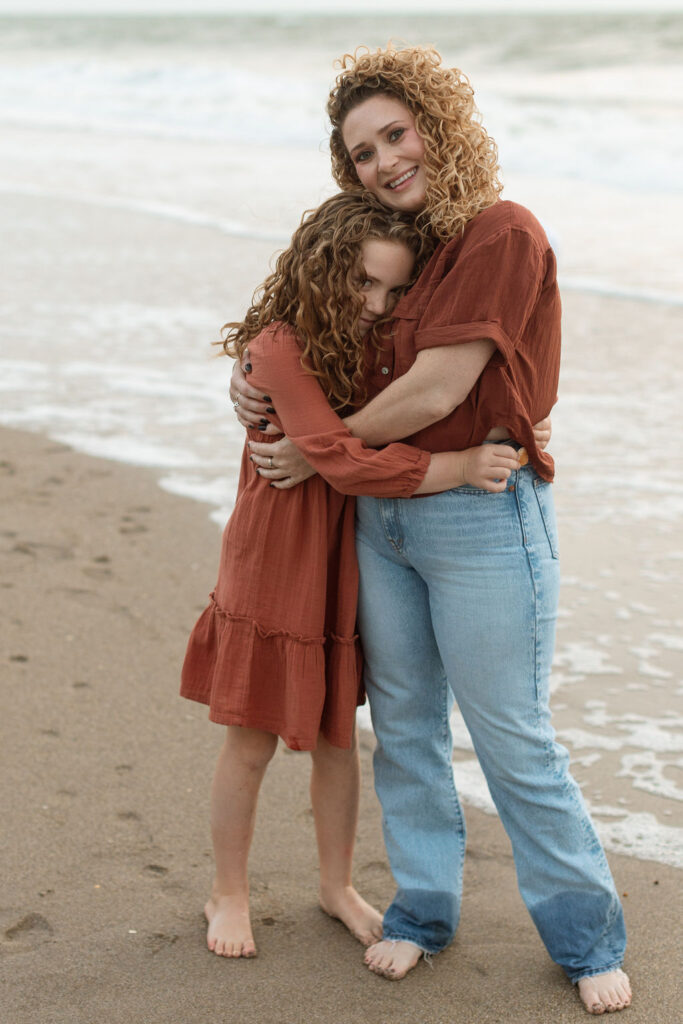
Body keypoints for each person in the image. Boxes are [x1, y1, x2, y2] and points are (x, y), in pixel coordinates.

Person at [230, 45, 631, 1016]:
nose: (382, 161)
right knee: (404, 728)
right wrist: (250, 387)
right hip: (380, 518)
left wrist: (313, 444)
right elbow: (302, 337)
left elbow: (438, 388)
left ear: (438, 124)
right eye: (361, 151)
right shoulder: (384, 247)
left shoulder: (501, 231)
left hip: (480, 518)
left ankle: (584, 938)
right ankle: (420, 911)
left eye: (394, 134)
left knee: (510, 738)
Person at [181, 191, 525, 961]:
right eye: (364, 284)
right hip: (275, 552)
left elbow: (430, 395)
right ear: (324, 266)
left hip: (344, 551)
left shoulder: (369, 350)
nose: (377, 305)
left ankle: (334, 885)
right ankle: (226, 891)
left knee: (338, 736)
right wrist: (459, 466)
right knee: (251, 740)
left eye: (394, 292)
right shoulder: (276, 346)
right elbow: (337, 458)